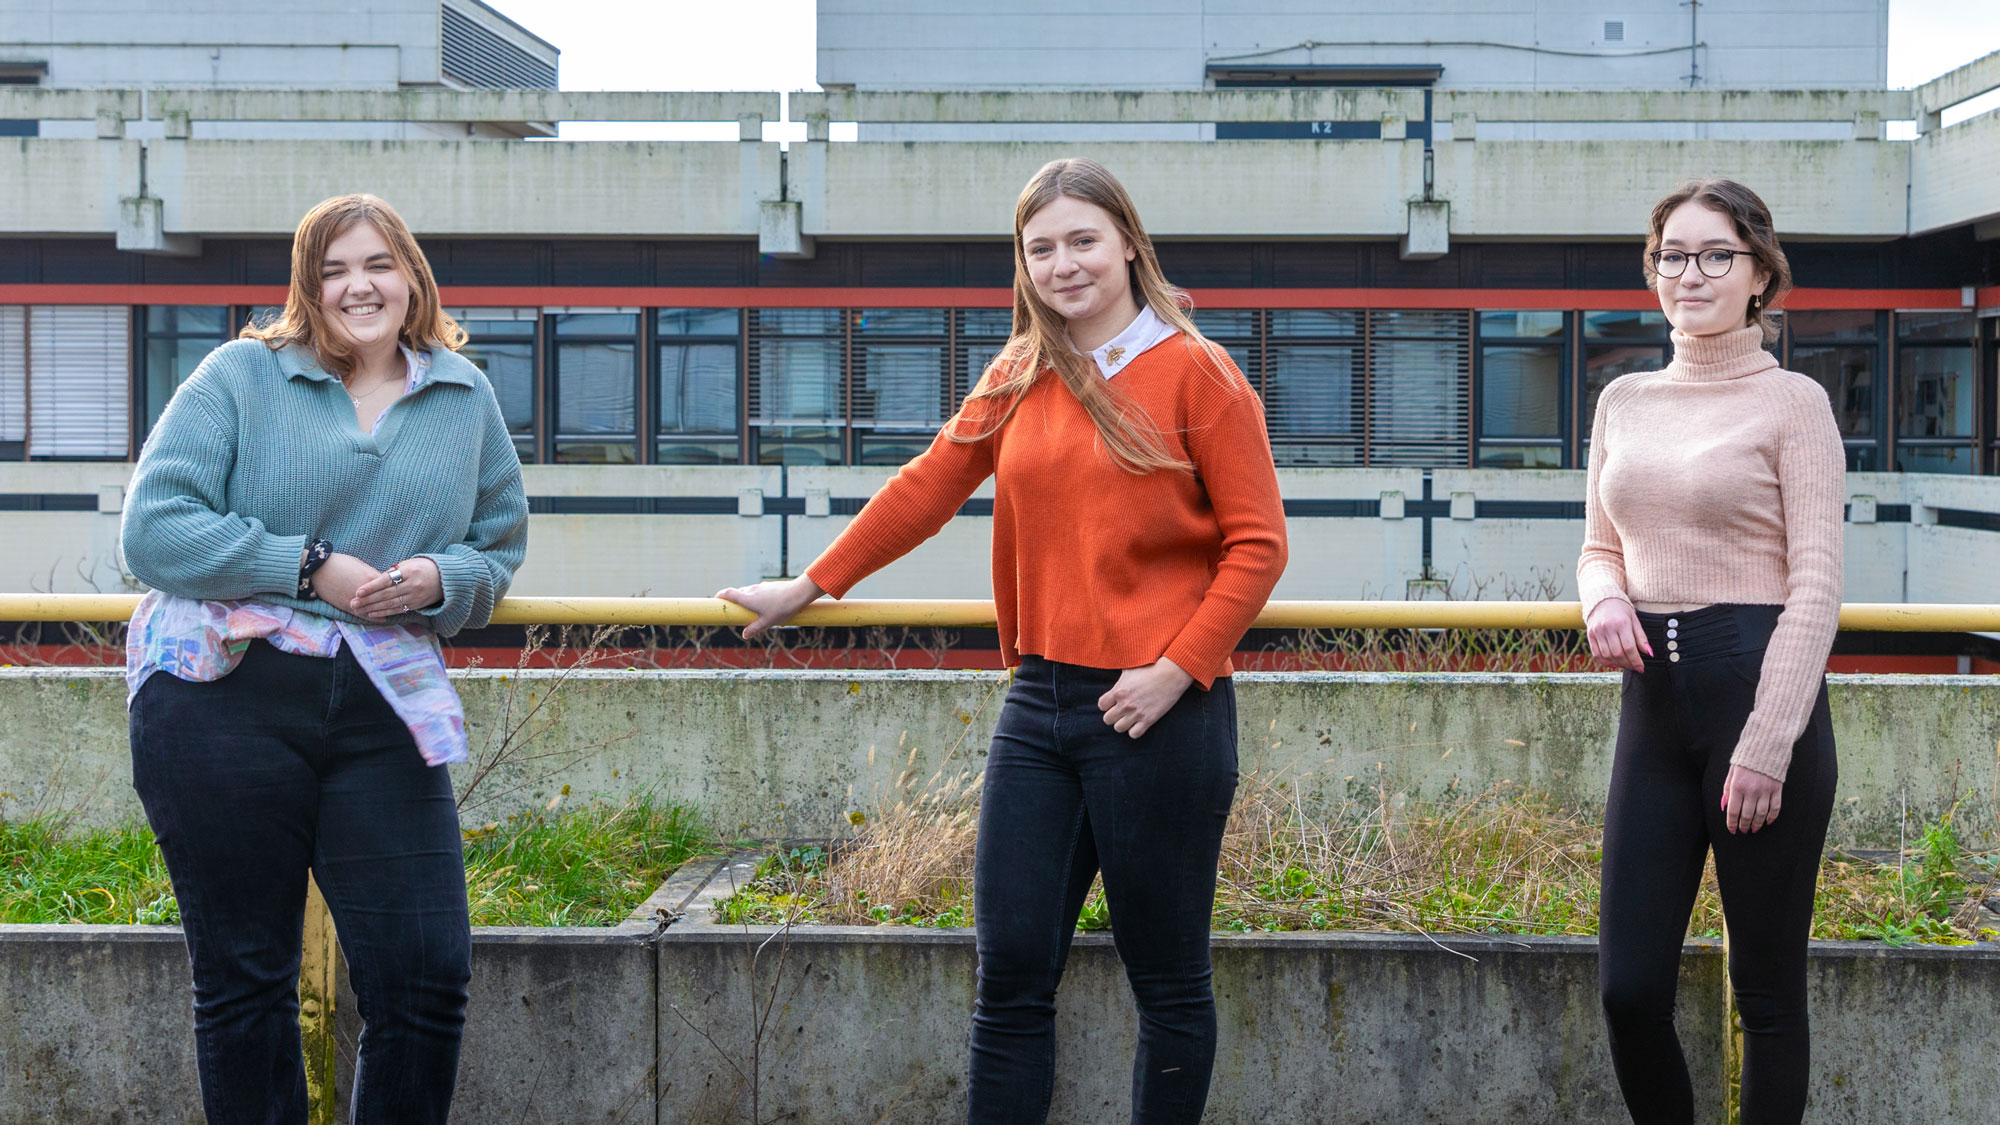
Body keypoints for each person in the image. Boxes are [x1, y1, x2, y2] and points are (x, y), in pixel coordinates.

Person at [718, 157, 1287, 1124]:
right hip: (1040, 705)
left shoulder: (1200, 372)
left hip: (1160, 711)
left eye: (1083, 241)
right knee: (1011, 972)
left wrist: (1174, 669)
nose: (1064, 265)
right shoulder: (1023, 369)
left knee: (1169, 982)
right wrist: (812, 583)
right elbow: (927, 486)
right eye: (1041, 248)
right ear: (1022, 265)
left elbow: (1259, 547)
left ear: (1129, 246)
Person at [121, 192, 528, 1124]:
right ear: (307, 287)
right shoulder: (239, 377)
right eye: (334, 269)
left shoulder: (465, 397)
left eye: (379, 263)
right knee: (245, 981)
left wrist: (438, 576)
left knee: (426, 976)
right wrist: (307, 565)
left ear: (412, 277)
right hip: (222, 698)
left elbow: (500, 545)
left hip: (384, 702)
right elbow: (153, 530)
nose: (359, 286)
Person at [1580, 178, 1844, 1125]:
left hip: (1757, 687)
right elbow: (1597, 547)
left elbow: (1816, 584)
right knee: (1629, 990)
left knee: (1766, 996)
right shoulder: (1624, 397)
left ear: (1759, 274)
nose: (1689, 274)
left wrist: (1769, 742)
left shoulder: (1793, 404)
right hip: (1652, 705)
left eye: (1714, 255)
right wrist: (1605, 597)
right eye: (1671, 256)